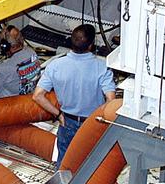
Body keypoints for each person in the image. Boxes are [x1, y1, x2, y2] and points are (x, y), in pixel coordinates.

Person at [31, 24, 117, 166]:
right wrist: (101, 119)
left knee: (64, 164)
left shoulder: (55, 65)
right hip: (92, 123)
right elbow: (111, 100)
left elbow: (37, 96)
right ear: (91, 45)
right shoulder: (102, 67)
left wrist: (58, 115)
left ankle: (63, 181)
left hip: (67, 121)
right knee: (93, 166)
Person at [0, 25, 41, 98]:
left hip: (9, 100)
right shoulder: (31, 52)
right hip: (28, 94)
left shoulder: (4, 67)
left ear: (5, 46)